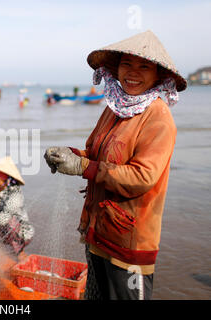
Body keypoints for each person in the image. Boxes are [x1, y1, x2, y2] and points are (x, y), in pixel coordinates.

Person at [44, 30, 187, 300]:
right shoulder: (114, 107)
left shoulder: (158, 117)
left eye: (144, 66)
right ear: (116, 68)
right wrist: (70, 155)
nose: (133, 72)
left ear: (158, 75)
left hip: (129, 241)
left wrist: (82, 166)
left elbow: (142, 177)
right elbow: (96, 154)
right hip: (98, 231)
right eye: (126, 64)